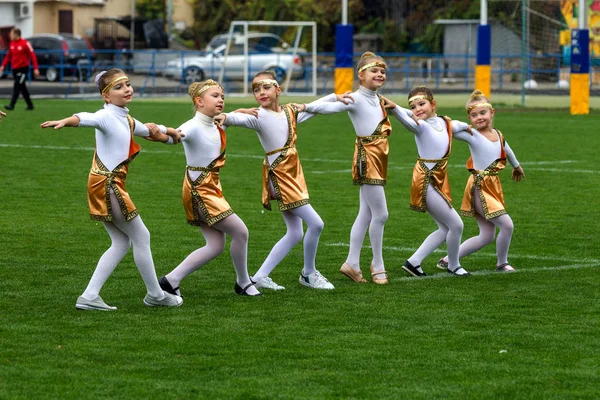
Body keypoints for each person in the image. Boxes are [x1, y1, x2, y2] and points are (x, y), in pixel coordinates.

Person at [40, 68, 184, 310]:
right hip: (108, 183)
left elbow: (150, 129)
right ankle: (156, 295)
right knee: (141, 236)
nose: (127, 89)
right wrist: (67, 120)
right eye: (119, 87)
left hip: (104, 183)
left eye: (127, 84)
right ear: (106, 96)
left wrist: (170, 132)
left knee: (121, 242)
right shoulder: (106, 116)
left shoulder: (125, 119)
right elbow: (87, 117)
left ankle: (89, 296)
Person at [215, 71, 343, 291]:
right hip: (281, 177)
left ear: (278, 89)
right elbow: (234, 118)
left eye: (266, 87)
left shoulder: (289, 112)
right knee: (316, 223)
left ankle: (260, 276)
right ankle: (309, 273)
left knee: (295, 232)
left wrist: (335, 96)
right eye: (256, 89)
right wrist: (228, 115)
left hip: (294, 175)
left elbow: (313, 106)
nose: (261, 93)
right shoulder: (258, 117)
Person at [294, 52, 395, 285]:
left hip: (379, 159)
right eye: (374, 71)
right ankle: (377, 265)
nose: (380, 74)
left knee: (366, 213)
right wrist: (307, 106)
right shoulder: (357, 98)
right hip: (367, 158)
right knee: (381, 214)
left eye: (383, 71)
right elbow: (329, 109)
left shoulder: (379, 100)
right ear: (361, 75)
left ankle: (352, 263)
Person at [158, 80, 261, 297]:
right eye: (215, 96)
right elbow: (174, 136)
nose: (221, 100)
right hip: (200, 189)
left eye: (222, 96)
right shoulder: (192, 126)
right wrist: (158, 132)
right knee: (241, 232)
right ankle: (243, 282)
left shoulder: (216, 123)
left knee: (215, 245)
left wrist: (243, 111)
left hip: (209, 187)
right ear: (199, 101)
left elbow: (229, 117)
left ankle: (170, 280)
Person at [380, 87, 470, 277]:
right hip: (426, 181)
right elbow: (407, 120)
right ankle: (454, 265)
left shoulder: (444, 122)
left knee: (445, 227)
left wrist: (470, 128)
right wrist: (395, 109)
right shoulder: (420, 127)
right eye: (413, 107)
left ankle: (413, 262)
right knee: (456, 225)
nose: (417, 109)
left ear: (433, 104)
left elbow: (457, 125)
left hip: (438, 180)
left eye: (422, 104)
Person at [437, 90, 525, 272]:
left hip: (493, 186)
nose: (479, 118)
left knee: (486, 235)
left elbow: (507, 150)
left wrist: (517, 166)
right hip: (480, 186)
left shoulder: (499, 135)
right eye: (474, 115)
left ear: (492, 113)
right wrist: (459, 124)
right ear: (469, 118)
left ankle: (447, 260)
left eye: (482, 113)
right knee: (507, 225)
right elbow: (449, 128)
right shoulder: (473, 135)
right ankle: (502, 263)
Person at [0, 28, 39, 111]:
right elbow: (8, 56)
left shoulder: (25, 43)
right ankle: (30, 105)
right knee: (22, 87)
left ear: (16, 34)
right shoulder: (12, 44)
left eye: (11, 34)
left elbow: (32, 55)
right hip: (15, 69)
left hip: (23, 69)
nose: (10, 35)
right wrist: (3, 65)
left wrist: (36, 68)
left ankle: (11, 105)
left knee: (17, 85)